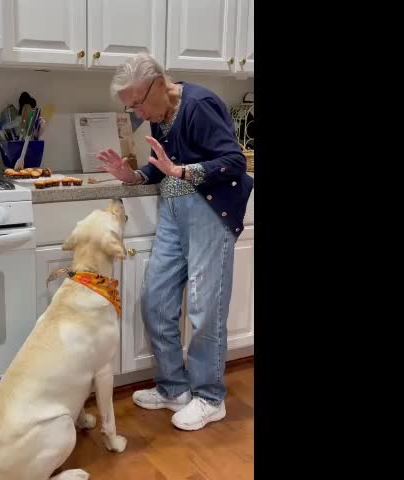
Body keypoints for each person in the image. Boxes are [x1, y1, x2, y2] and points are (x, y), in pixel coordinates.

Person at [96, 53, 253, 431]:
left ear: (159, 83)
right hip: (173, 208)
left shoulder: (199, 105)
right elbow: (162, 163)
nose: (135, 112)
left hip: (209, 213)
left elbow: (234, 161)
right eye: (129, 106)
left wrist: (181, 171)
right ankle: (174, 388)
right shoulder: (158, 112)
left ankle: (210, 397)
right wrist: (133, 175)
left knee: (204, 307)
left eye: (136, 103)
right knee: (155, 299)